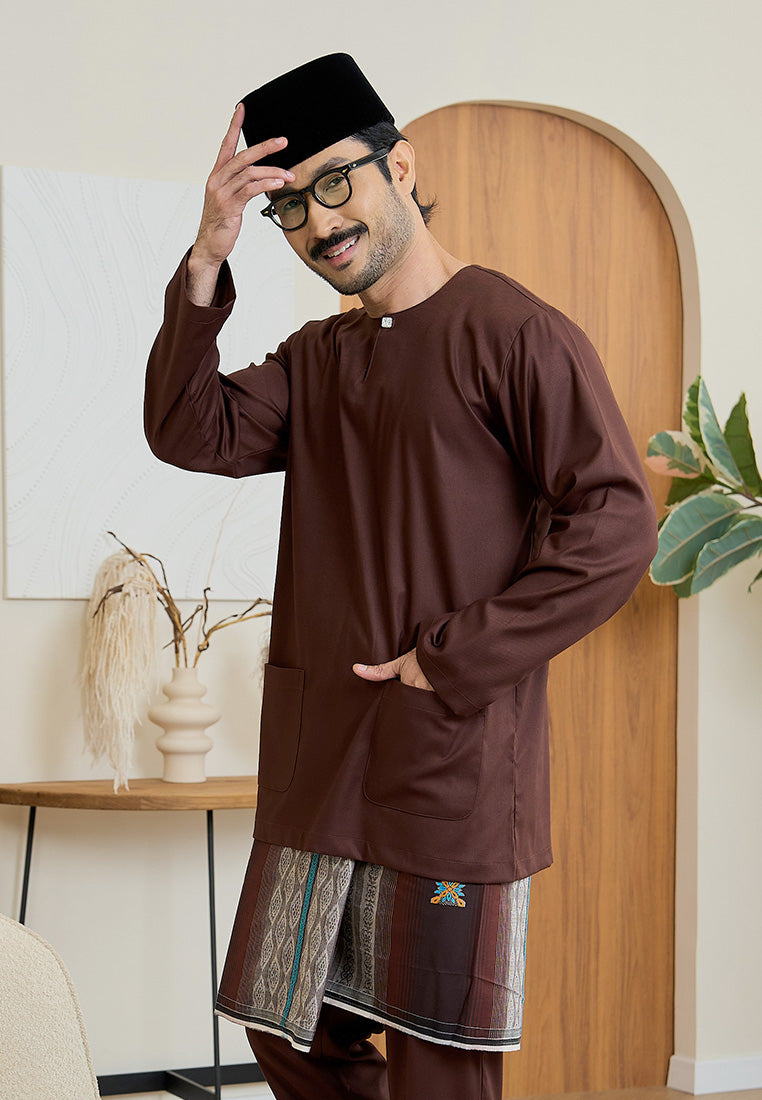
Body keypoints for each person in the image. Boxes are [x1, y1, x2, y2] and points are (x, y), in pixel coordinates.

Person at [145, 52, 657, 1100]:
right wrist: (208, 257)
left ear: (402, 165)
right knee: (282, 1026)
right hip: (319, 763)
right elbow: (186, 428)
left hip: (448, 768)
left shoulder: (517, 334)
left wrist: (453, 656)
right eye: (290, 207)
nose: (320, 222)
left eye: (337, 182)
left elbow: (615, 523)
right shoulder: (317, 358)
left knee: (440, 1061)